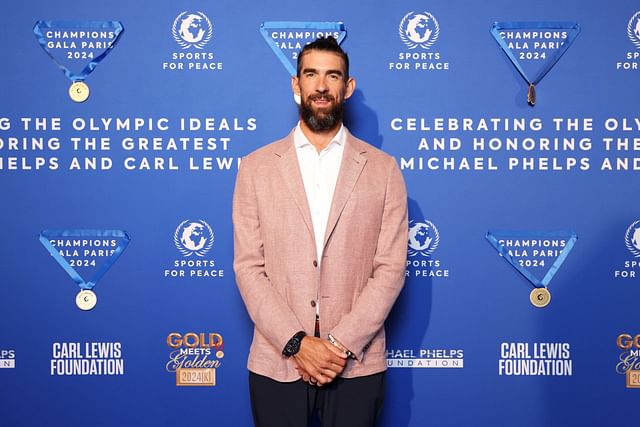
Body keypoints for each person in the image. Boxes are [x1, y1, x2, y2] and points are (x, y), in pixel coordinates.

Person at [233, 36, 408, 427]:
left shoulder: (383, 170)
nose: (322, 86)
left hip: (354, 363)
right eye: (311, 74)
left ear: (348, 87)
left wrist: (337, 346)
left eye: (333, 75)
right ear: (297, 85)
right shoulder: (256, 168)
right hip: (276, 361)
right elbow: (249, 268)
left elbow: (391, 269)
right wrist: (296, 343)